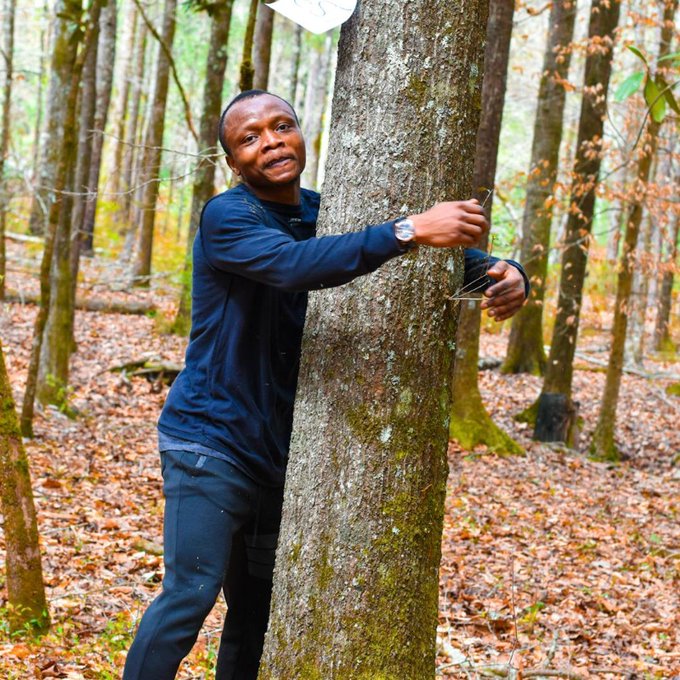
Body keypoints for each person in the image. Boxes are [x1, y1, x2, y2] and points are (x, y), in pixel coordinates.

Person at [122, 89, 528, 680]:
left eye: (281, 126)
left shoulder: (325, 209)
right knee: (190, 595)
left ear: (300, 132)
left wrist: (507, 273)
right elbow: (297, 266)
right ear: (234, 162)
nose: (271, 142)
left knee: (257, 611)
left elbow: (422, 258)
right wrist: (411, 228)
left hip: (280, 458)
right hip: (210, 446)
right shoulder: (228, 217)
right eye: (250, 138)